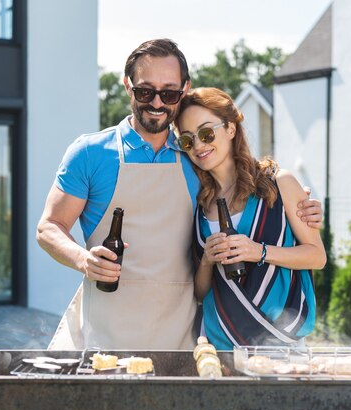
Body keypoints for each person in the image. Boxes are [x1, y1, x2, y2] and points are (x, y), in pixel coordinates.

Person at [36, 39, 324, 351]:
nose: (157, 103)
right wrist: (83, 259)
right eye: (146, 91)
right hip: (107, 328)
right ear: (127, 85)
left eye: (169, 93)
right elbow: (49, 227)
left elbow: (246, 186)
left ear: (183, 91)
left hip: (180, 336)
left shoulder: (196, 160)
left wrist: (300, 202)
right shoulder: (89, 153)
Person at [173, 87, 326, 350]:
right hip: (219, 346)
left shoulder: (280, 183)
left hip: (279, 341)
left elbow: (317, 256)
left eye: (206, 133)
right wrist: (208, 260)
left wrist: (259, 252)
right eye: (187, 140)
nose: (198, 145)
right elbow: (200, 294)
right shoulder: (197, 203)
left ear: (231, 128)